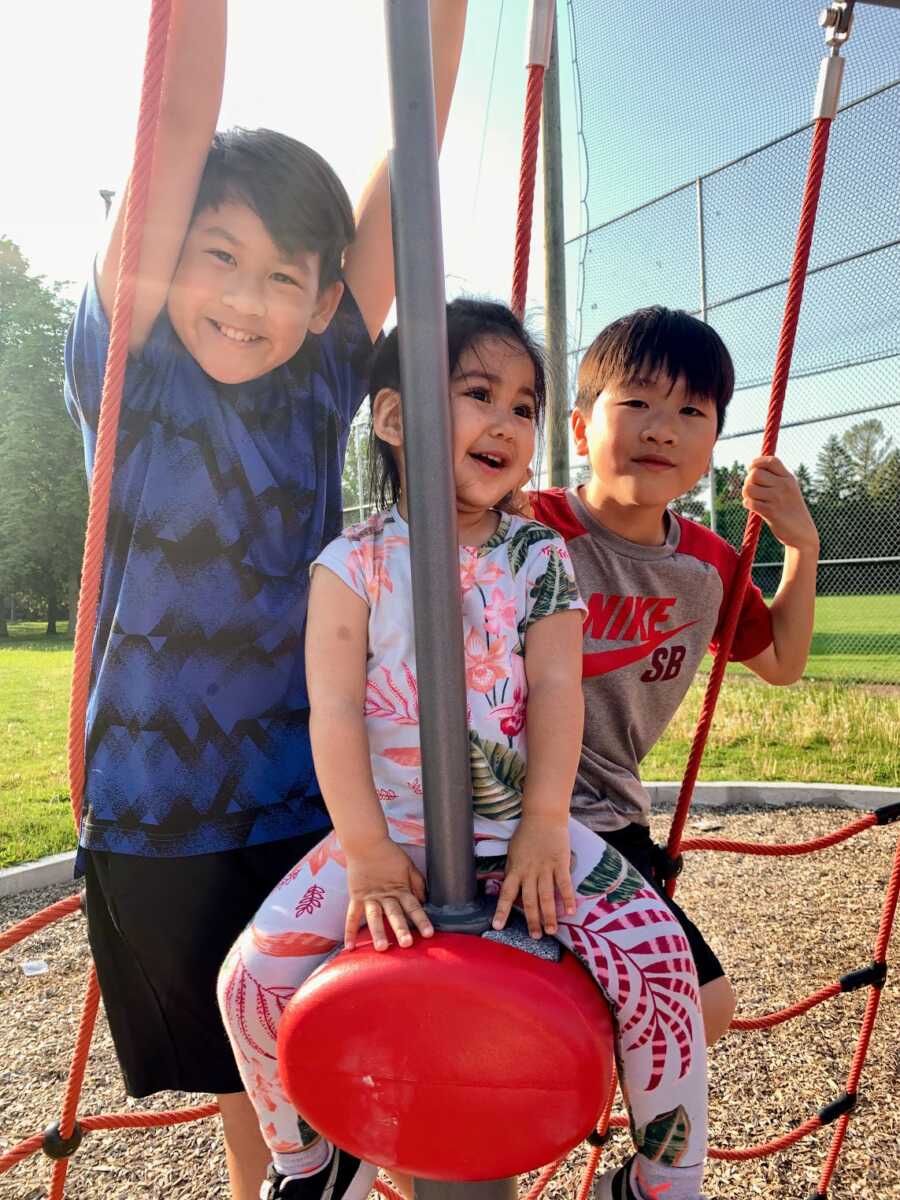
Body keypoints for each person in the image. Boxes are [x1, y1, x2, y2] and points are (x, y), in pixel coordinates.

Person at [62, 4, 468, 1197]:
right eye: (217, 256)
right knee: (253, 1081)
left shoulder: (326, 372)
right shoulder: (132, 364)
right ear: (161, 258)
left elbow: (413, 141)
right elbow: (176, 116)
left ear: (329, 298)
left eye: (285, 275)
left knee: (347, 1059)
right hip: (155, 817)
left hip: (308, 802)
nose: (246, 298)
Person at [219, 300, 713, 1200]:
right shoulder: (353, 564)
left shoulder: (539, 558)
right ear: (397, 415)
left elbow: (560, 694)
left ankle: (663, 1176)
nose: (507, 422)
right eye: (479, 392)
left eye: (524, 406)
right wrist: (366, 853)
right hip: (392, 841)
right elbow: (331, 713)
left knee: (661, 960)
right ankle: (310, 1157)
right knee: (249, 983)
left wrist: (544, 827)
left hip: (523, 833)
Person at [528, 305, 820, 1054]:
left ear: (713, 442)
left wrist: (802, 548)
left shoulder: (708, 566)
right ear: (579, 427)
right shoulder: (526, 527)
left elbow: (782, 665)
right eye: (638, 402)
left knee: (704, 1006)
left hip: (607, 819)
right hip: (497, 805)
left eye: (691, 410)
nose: (663, 428)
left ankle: (624, 1163)